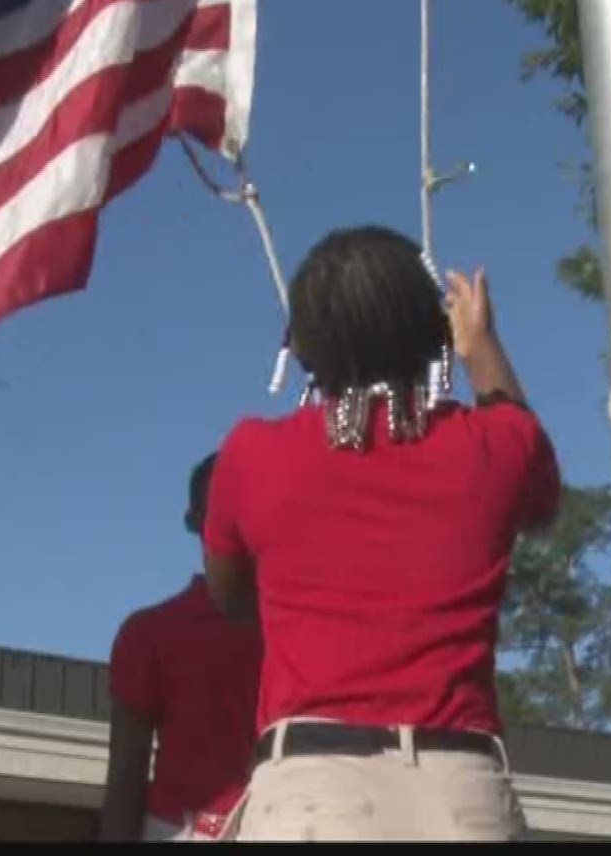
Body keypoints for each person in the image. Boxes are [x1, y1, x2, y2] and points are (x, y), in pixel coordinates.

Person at [200, 226, 562, 842]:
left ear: (303, 348)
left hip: (312, 793)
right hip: (462, 792)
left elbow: (229, 594)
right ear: (432, 334)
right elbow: (541, 488)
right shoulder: (492, 448)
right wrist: (481, 346)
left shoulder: (252, 455)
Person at [98, 454, 263, 842]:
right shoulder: (148, 633)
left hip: (281, 821)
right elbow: (126, 771)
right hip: (177, 830)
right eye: (222, 512)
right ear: (194, 521)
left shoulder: (299, 628)